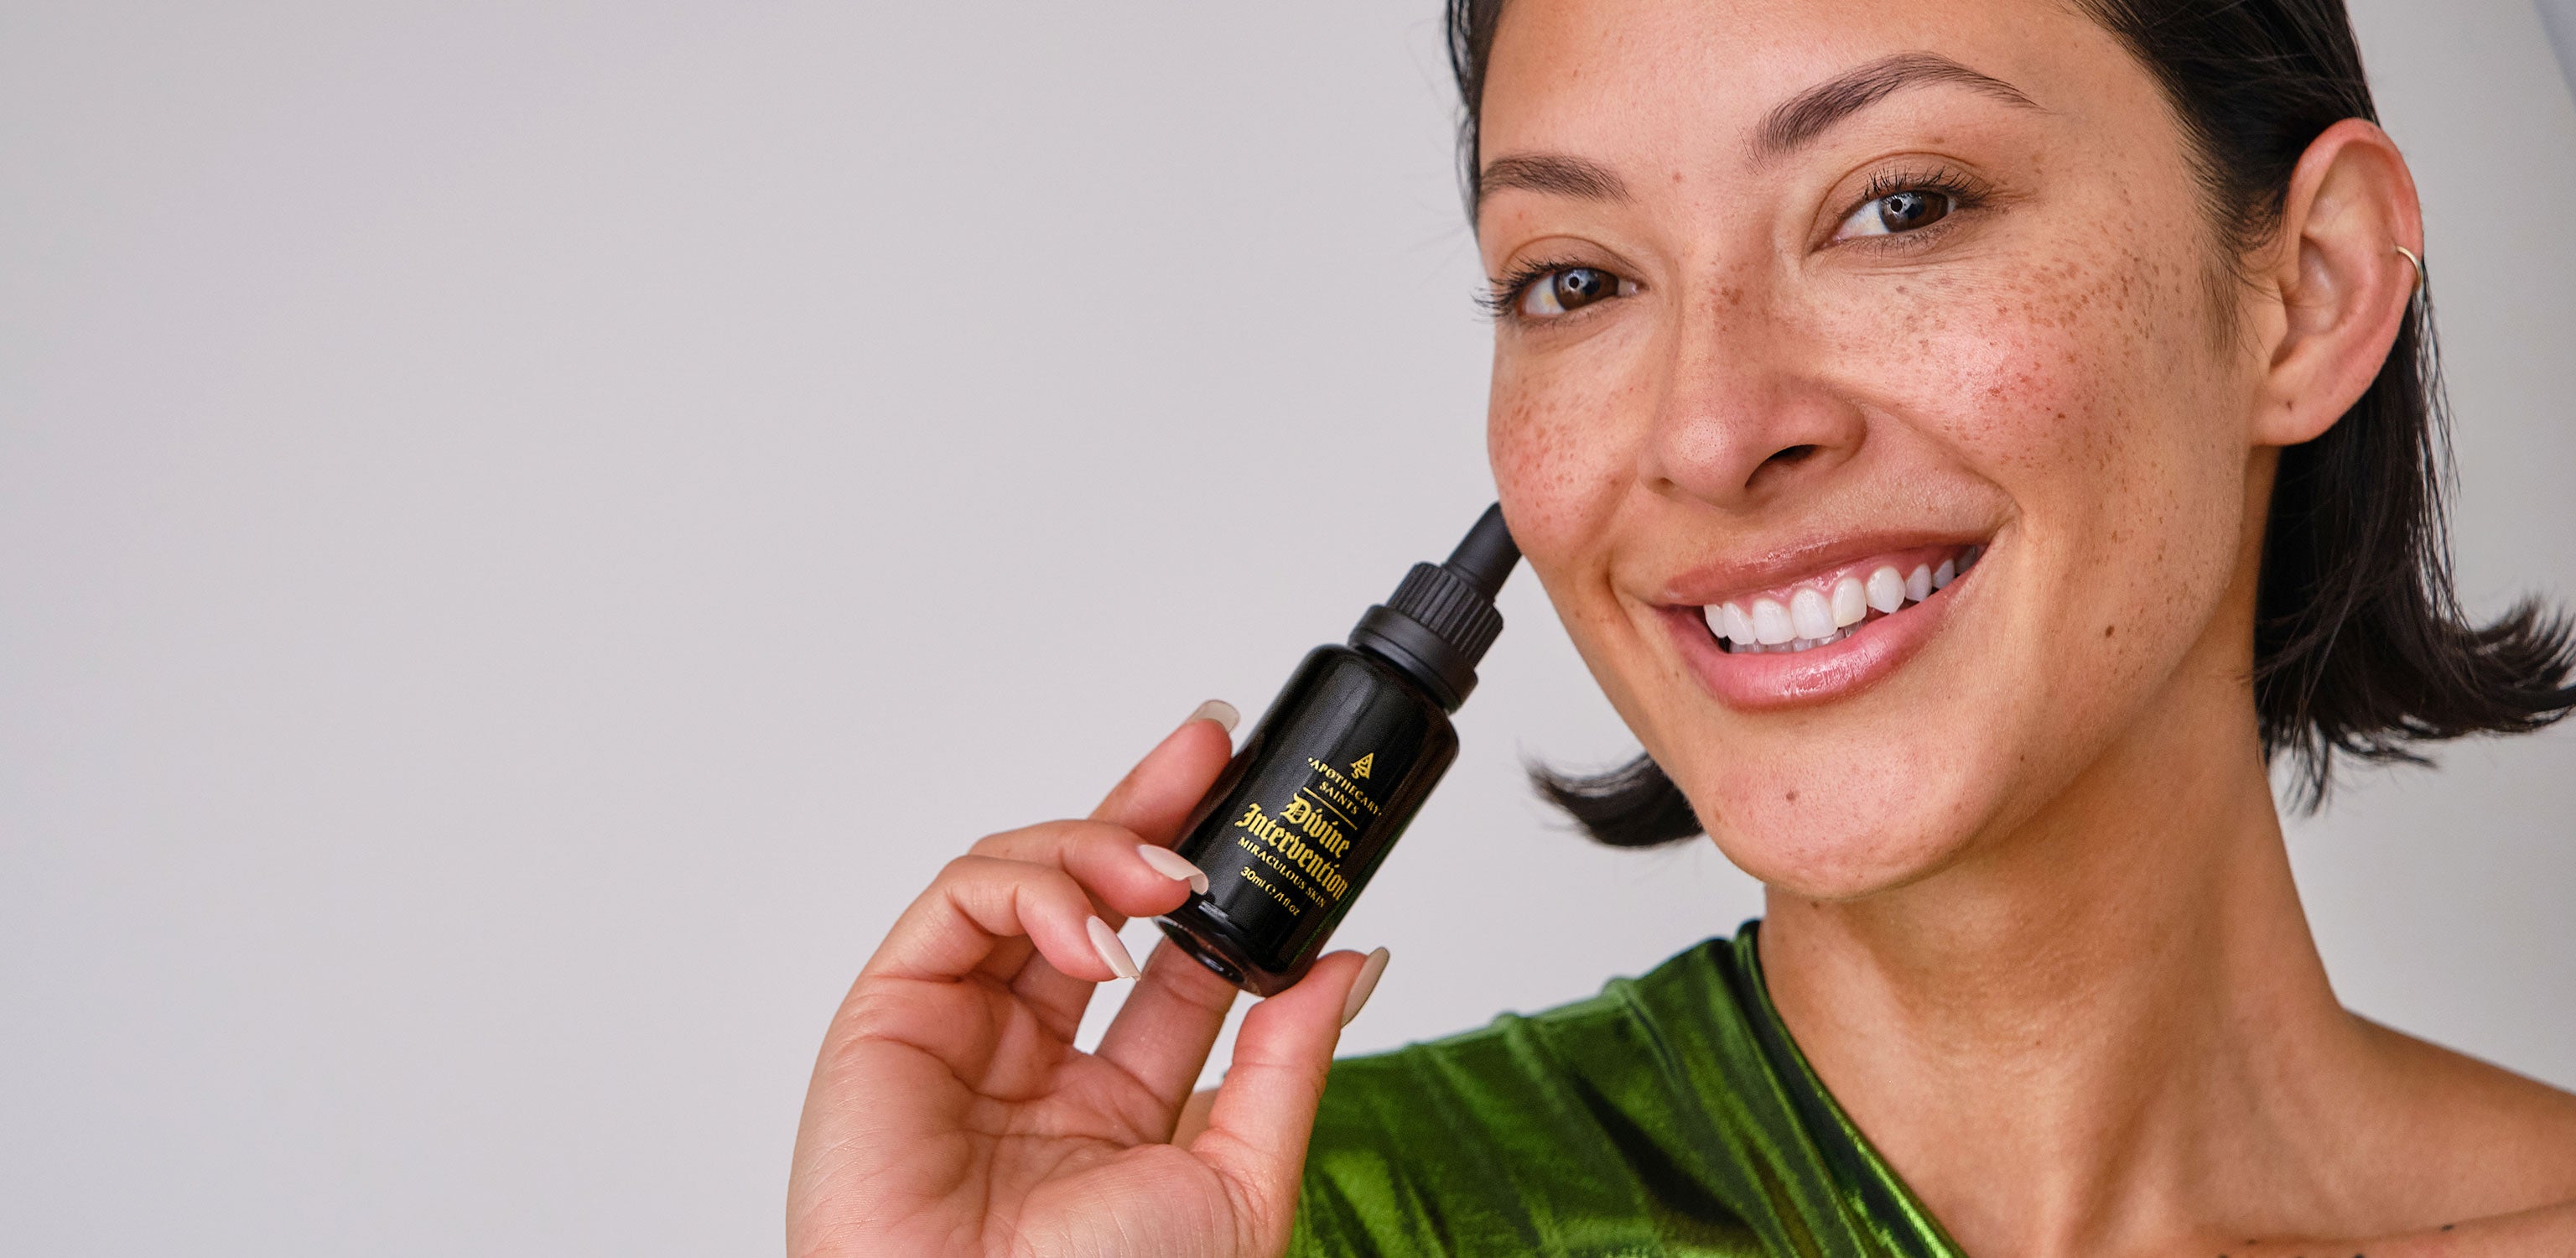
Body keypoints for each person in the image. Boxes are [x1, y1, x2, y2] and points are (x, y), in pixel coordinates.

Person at [784, 0, 2576, 1252]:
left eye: (1899, 206)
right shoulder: (1274, 1232)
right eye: (1578, 280)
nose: (1713, 432)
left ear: (2309, 286)